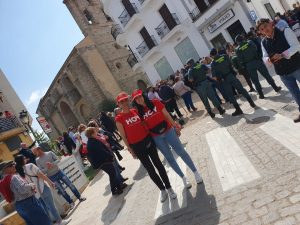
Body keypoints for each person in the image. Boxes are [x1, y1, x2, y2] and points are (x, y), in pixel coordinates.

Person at [132, 89, 203, 187]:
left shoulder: (155, 102)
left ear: (143, 96)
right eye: (136, 98)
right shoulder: (138, 112)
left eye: (140, 96)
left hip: (168, 130)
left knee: (181, 152)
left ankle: (195, 172)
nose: (139, 99)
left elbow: (166, 114)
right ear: (135, 101)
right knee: (170, 158)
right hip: (156, 137)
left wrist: (175, 126)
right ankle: (183, 178)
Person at [115, 92, 177, 202]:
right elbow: (124, 136)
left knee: (158, 164)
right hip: (137, 146)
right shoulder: (119, 118)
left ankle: (169, 187)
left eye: (125, 100)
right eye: (122, 101)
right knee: (150, 169)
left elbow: (144, 124)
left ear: (129, 101)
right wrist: (130, 149)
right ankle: (162, 189)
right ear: (118, 104)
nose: (124, 103)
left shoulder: (135, 111)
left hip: (148, 141)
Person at [257, 18, 300, 123]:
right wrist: (269, 60)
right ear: (260, 32)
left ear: (271, 24)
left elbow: (296, 46)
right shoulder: (263, 42)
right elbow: (264, 57)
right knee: (295, 94)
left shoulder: (284, 30)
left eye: (266, 26)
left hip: (297, 66)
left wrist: (282, 55)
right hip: (283, 73)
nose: (265, 30)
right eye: (262, 29)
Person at [14, 155, 71, 225]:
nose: (26, 159)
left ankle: (50, 223)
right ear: (22, 160)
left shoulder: (18, 174)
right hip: (43, 188)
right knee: (51, 206)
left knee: (45, 210)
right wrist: (50, 182)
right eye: (25, 158)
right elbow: (41, 174)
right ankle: (60, 221)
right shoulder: (30, 166)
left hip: (35, 193)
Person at [0, 160, 51, 225]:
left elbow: (6, 197)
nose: (13, 166)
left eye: (13, 164)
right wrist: (32, 185)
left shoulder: (1, 183)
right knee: (43, 221)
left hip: (18, 206)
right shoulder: (14, 177)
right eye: (10, 166)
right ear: (5, 170)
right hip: (28, 203)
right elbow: (23, 189)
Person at [210, 48, 257, 116]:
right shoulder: (224, 56)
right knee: (241, 89)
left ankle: (238, 110)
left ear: (212, 55)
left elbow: (214, 77)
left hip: (224, 80)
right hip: (231, 75)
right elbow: (231, 65)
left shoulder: (213, 63)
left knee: (231, 95)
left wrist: (219, 80)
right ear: (217, 52)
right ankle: (252, 103)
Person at [235, 34, 282, 99]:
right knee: (266, 75)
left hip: (249, 65)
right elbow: (256, 48)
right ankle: (275, 88)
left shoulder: (237, 49)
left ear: (237, 42)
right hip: (257, 61)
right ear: (243, 38)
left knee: (255, 81)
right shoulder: (250, 42)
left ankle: (261, 95)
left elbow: (240, 60)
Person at [85, 127, 125, 196]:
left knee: (112, 174)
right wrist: (110, 157)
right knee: (113, 174)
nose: (96, 132)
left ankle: (117, 188)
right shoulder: (92, 142)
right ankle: (115, 189)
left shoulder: (92, 140)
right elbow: (102, 152)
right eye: (94, 131)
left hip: (102, 161)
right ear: (91, 134)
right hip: (102, 162)